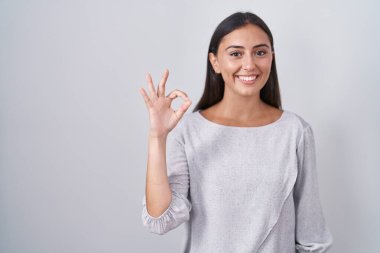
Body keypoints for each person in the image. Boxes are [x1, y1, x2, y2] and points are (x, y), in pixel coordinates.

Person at [139, 11, 333, 253]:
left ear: (271, 58)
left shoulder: (295, 132)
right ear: (215, 62)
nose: (249, 64)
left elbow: (311, 234)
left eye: (260, 52)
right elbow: (161, 219)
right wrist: (157, 137)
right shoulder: (190, 131)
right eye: (236, 54)